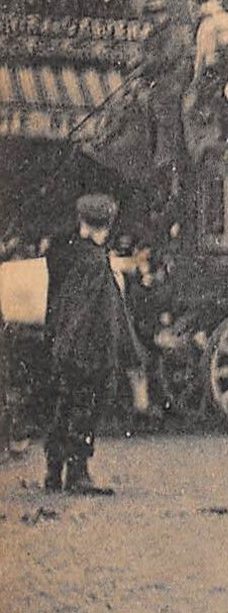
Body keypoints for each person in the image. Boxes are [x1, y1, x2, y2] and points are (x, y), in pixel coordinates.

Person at [43, 194, 145, 495]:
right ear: (108, 224)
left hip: (68, 344)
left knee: (65, 405)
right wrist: (126, 349)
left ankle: (53, 472)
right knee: (86, 408)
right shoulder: (94, 262)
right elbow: (104, 310)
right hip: (90, 347)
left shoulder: (68, 254)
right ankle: (78, 474)